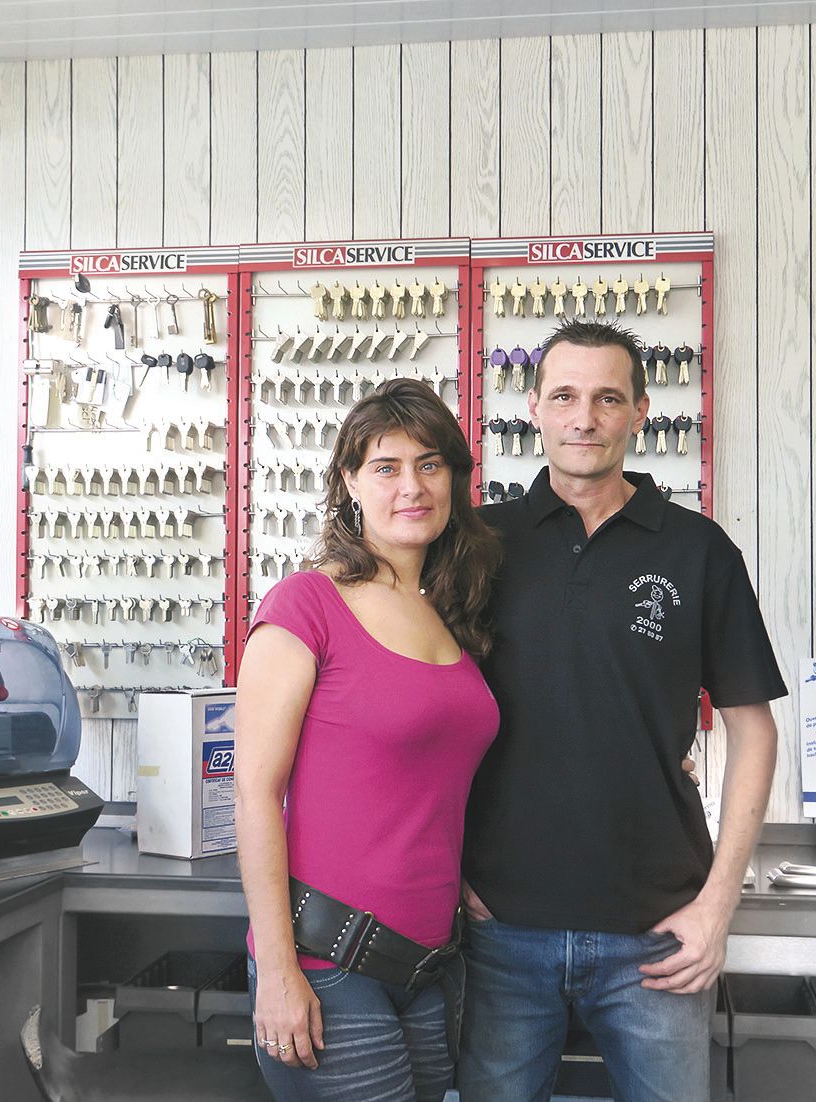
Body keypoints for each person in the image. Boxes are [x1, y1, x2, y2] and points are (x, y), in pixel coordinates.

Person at [458, 320, 787, 1102]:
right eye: (565, 396)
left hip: (658, 934)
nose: (584, 418)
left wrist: (716, 905)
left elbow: (753, 731)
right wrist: (449, 884)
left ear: (639, 411)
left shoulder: (698, 550)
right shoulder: (477, 545)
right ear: (532, 405)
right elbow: (426, 722)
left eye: (608, 398)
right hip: (499, 929)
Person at [234, 377, 502, 1102]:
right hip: (328, 963)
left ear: (452, 479)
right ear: (349, 482)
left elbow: (434, 783)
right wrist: (280, 973)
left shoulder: (451, 615)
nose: (410, 486)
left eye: (429, 464)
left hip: (431, 964)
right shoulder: (305, 605)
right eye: (385, 467)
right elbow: (254, 795)